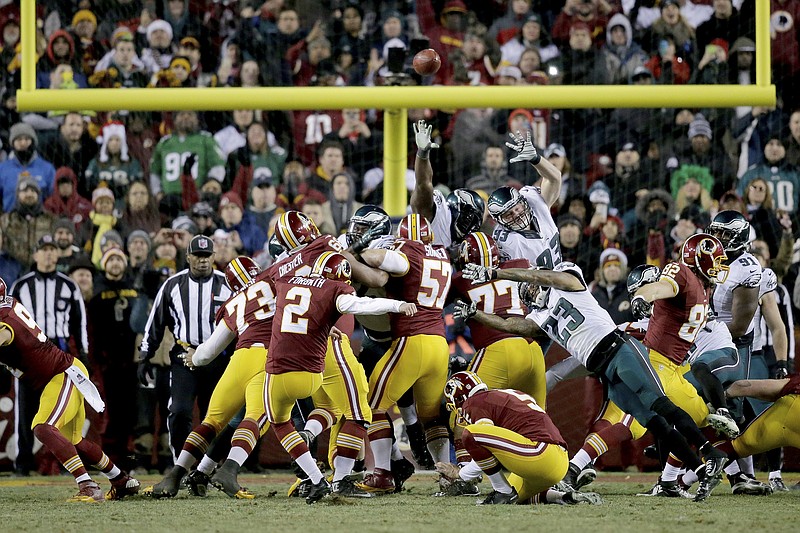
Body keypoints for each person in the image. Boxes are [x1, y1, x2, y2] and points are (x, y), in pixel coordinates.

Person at [455, 259, 728, 502]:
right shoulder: (541, 315)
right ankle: (702, 470)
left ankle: (711, 454)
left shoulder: (568, 280)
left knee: (659, 404)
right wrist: (475, 315)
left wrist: (497, 272)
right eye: (528, 295)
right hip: (603, 369)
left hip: (619, 349)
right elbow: (514, 326)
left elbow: (546, 278)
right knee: (653, 422)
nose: (532, 294)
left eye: (532, 288)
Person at [265, 252, 416, 503]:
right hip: (327, 352)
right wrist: (396, 305)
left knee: (319, 411)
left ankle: (310, 446)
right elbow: (362, 304)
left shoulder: (288, 280)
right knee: (360, 413)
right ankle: (340, 480)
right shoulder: (335, 289)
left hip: (283, 363)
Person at [0, 276, 140, 502]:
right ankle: (120, 480)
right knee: (74, 441)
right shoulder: (8, 304)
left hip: (61, 374)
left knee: (43, 427)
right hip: (61, 373)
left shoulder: (4, 323)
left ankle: (88, 486)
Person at [148, 256, 270, 499]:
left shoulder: (233, 303)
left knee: (212, 421)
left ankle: (177, 474)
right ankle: (229, 469)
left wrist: (194, 358)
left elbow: (208, 351)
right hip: (269, 359)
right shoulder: (276, 287)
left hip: (239, 359)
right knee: (255, 418)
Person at [356, 214, 453, 493]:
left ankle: (384, 474)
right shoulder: (442, 256)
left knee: (371, 404)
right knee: (432, 417)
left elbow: (380, 260)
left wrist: (360, 250)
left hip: (412, 340)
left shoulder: (409, 252)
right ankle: (449, 479)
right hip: (438, 342)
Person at [436, 371, 602, 506]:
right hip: (558, 461)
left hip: (539, 453)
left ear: (458, 398)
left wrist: (461, 473)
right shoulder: (503, 395)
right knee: (519, 497)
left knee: (471, 434)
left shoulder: (475, 402)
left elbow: (482, 436)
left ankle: (502, 491)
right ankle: (562, 497)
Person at [138, 235, 232, 465]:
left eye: (206, 256)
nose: (202, 261)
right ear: (188, 256)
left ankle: (211, 467)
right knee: (179, 412)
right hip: (184, 356)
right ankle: (183, 465)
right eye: (197, 256)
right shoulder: (172, 284)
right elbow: (156, 322)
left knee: (218, 416)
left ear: (214, 256)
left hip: (218, 359)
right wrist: (145, 357)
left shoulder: (228, 284)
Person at [10, 234, 89, 477]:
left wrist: (84, 355)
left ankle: (68, 463)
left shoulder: (69, 285)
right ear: (35, 255)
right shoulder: (21, 286)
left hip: (58, 354)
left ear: (57, 254)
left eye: (52, 249)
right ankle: (23, 463)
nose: (48, 254)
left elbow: (80, 323)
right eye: (43, 249)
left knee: (63, 408)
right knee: (25, 410)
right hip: (28, 355)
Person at [450, 232, 545, 407]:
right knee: (536, 420)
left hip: (499, 350)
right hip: (533, 350)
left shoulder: (460, 280)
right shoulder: (519, 264)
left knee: (464, 410)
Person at [88, 248, 143, 469]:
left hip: (131, 360)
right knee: (111, 411)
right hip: (108, 361)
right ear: (104, 264)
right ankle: (110, 458)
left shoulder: (134, 288)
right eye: (111, 260)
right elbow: (92, 329)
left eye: (119, 259)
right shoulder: (96, 291)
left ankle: (128, 458)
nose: (115, 264)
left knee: (131, 412)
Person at [487, 130, 563, 268]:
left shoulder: (533, 201)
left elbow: (555, 177)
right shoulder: (508, 243)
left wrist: (535, 159)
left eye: (517, 208)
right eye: (509, 214)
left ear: (523, 202)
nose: (516, 214)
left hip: (561, 282)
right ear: (499, 221)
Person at [409, 120, 485, 252]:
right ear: (452, 210)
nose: (467, 225)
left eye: (472, 219)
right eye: (466, 218)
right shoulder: (439, 217)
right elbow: (423, 184)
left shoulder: (471, 241)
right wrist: (423, 154)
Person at [0, 122, 55, 213]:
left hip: (40, 223)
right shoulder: (2, 169)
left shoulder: (47, 169)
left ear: (33, 142)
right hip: (10, 223)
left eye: (27, 139)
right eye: (19, 139)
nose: (23, 143)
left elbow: (53, 198)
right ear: (12, 143)